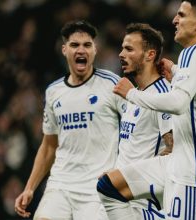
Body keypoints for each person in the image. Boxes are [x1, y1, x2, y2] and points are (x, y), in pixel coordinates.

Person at [98, 0, 196, 219]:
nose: (174, 20)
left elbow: (178, 103)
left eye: (181, 15)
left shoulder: (193, 53)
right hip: (187, 161)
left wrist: (132, 94)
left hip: (192, 171)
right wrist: (178, 72)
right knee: (109, 186)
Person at [14, 20, 124, 220]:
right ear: (64, 50)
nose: (81, 50)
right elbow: (48, 146)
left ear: (95, 50)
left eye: (87, 45)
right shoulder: (54, 92)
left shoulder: (112, 84)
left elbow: (134, 129)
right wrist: (30, 188)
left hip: (96, 188)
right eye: (74, 45)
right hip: (60, 184)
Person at [115, 22, 174, 219]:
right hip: (121, 196)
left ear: (150, 55)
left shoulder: (163, 94)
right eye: (122, 48)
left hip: (141, 204)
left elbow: (176, 147)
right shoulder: (135, 94)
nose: (121, 54)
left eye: (129, 49)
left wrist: (137, 176)